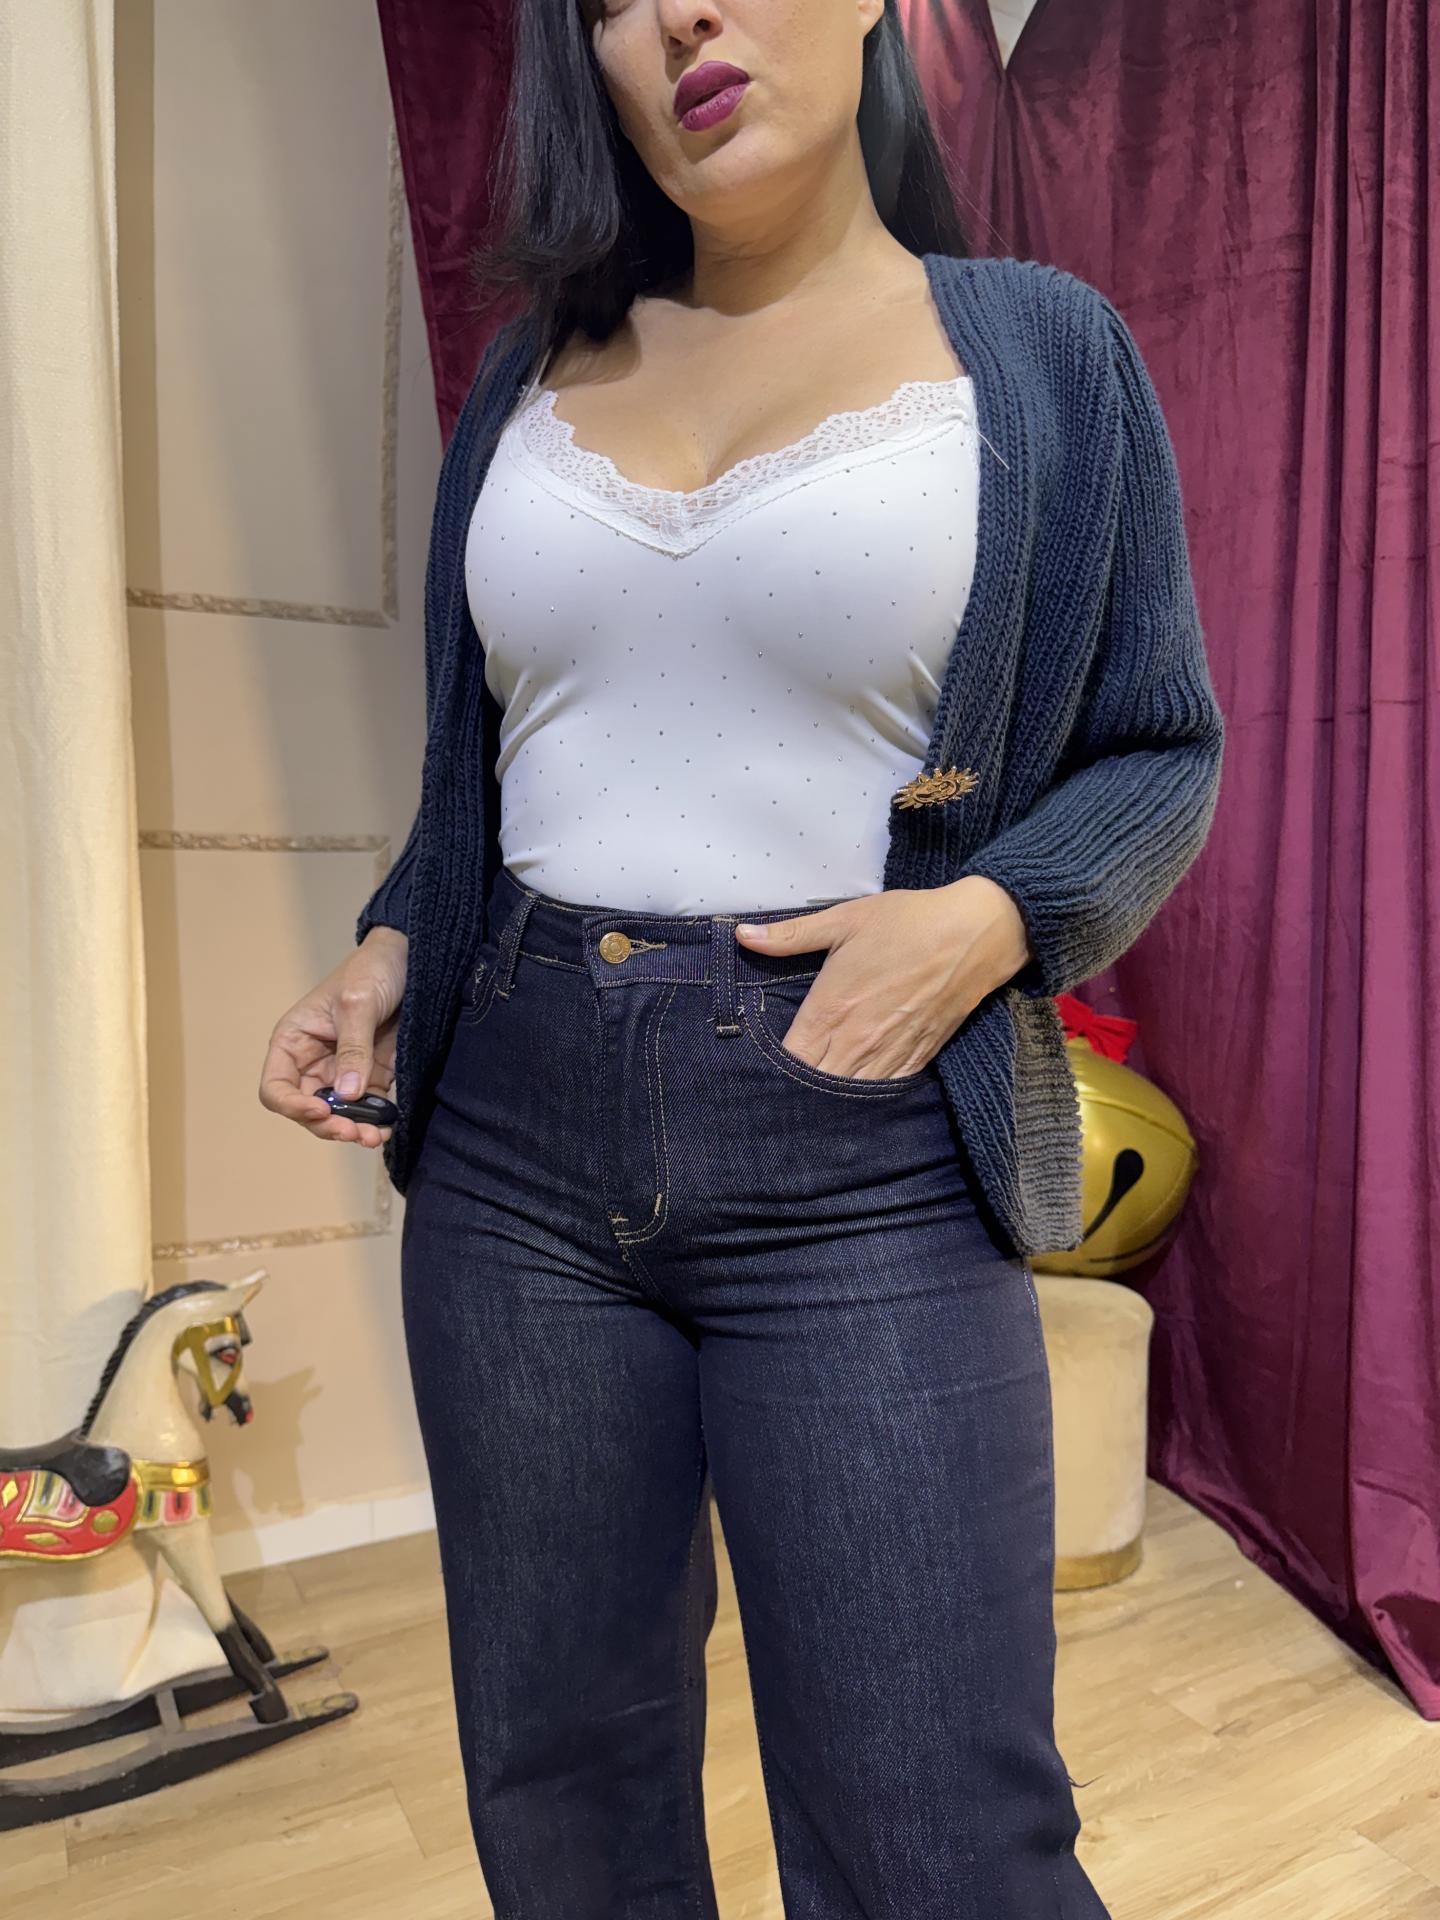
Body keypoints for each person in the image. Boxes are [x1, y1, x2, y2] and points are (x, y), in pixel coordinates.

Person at [260, 2, 1224, 1913]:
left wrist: (993, 918)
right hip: (510, 1147)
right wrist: (388, 944)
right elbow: (488, 773)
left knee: (938, 1833)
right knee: (563, 1778)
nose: (676, 15)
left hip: (865, 1141)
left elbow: (1157, 749)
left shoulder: (1039, 352)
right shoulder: (527, 379)